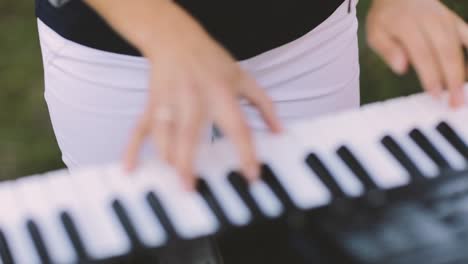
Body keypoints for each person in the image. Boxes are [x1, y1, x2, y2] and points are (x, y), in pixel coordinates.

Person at [35, 0, 467, 263]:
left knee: (310, 240)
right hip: (123, 52)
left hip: (308, 38)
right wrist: (169, 35)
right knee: (143, 246)